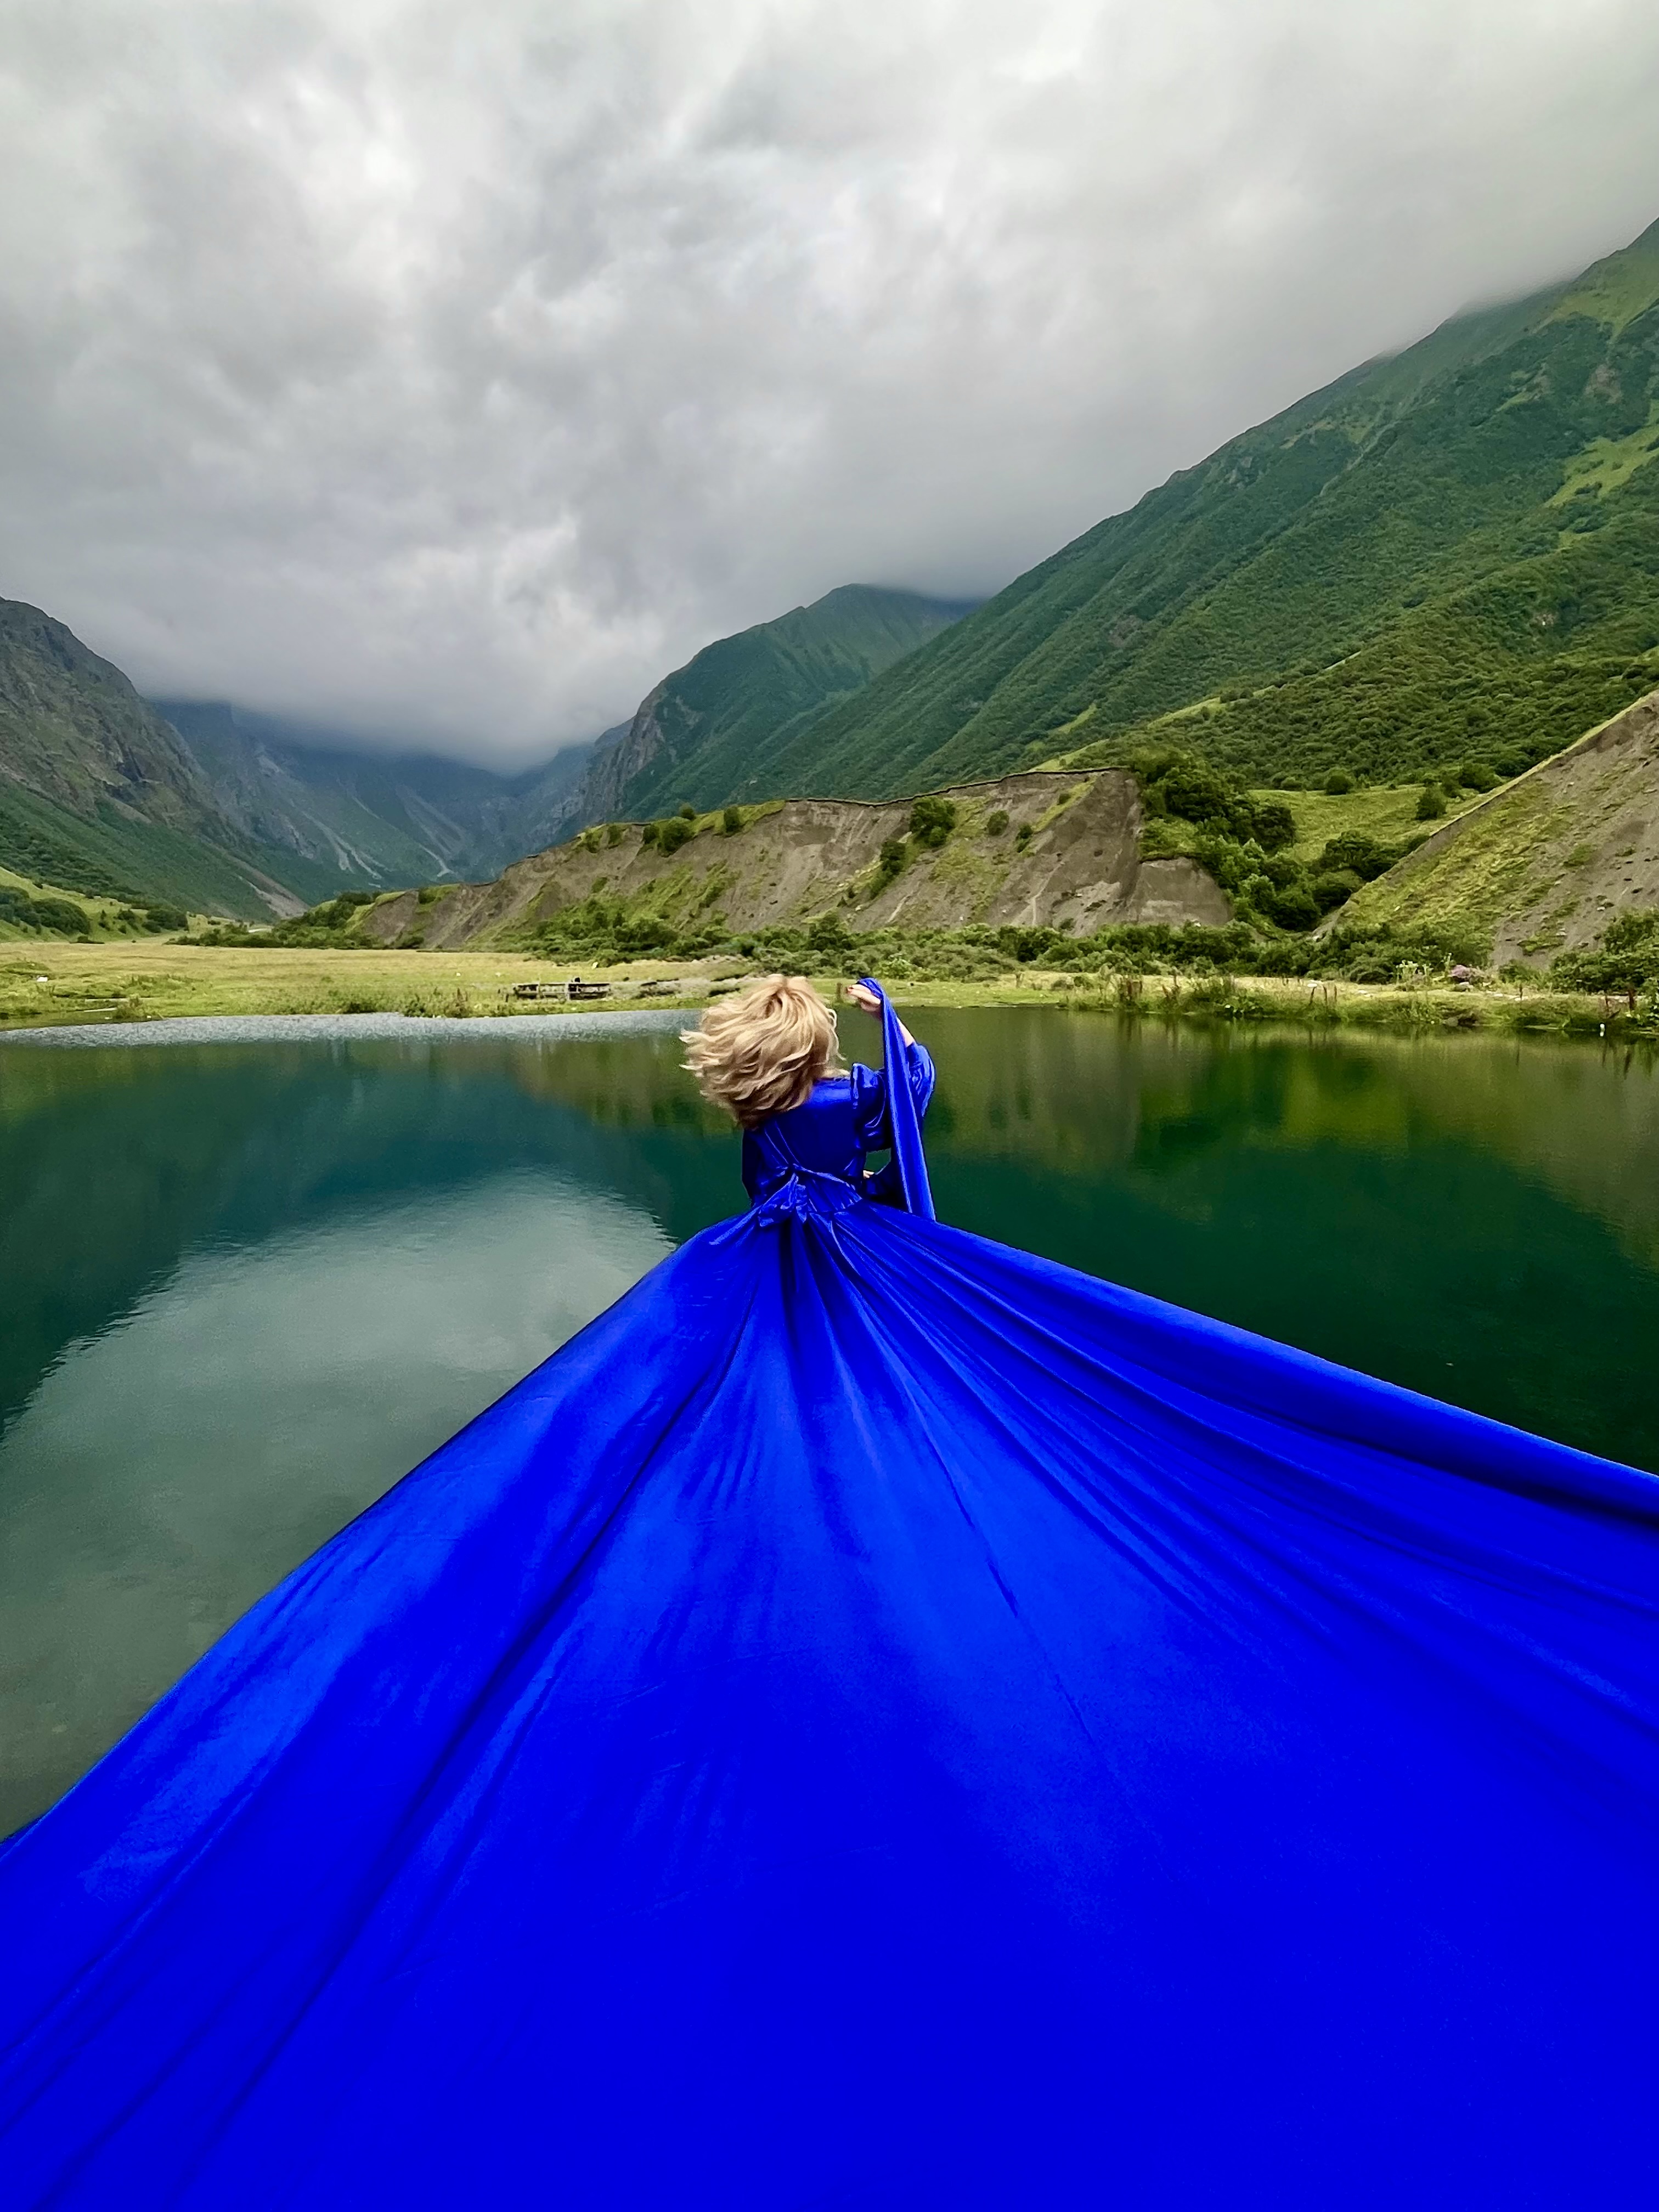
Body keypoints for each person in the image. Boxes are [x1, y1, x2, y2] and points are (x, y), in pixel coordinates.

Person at [1, 976, 1657, 2209]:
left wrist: (842, 1028)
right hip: (868, 1285)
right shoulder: (847, 1107)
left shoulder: (754, 1128)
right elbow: (916, 1095)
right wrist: (885, 1026)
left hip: (785, 1288)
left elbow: (861, 1115)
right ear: (808, 1068)